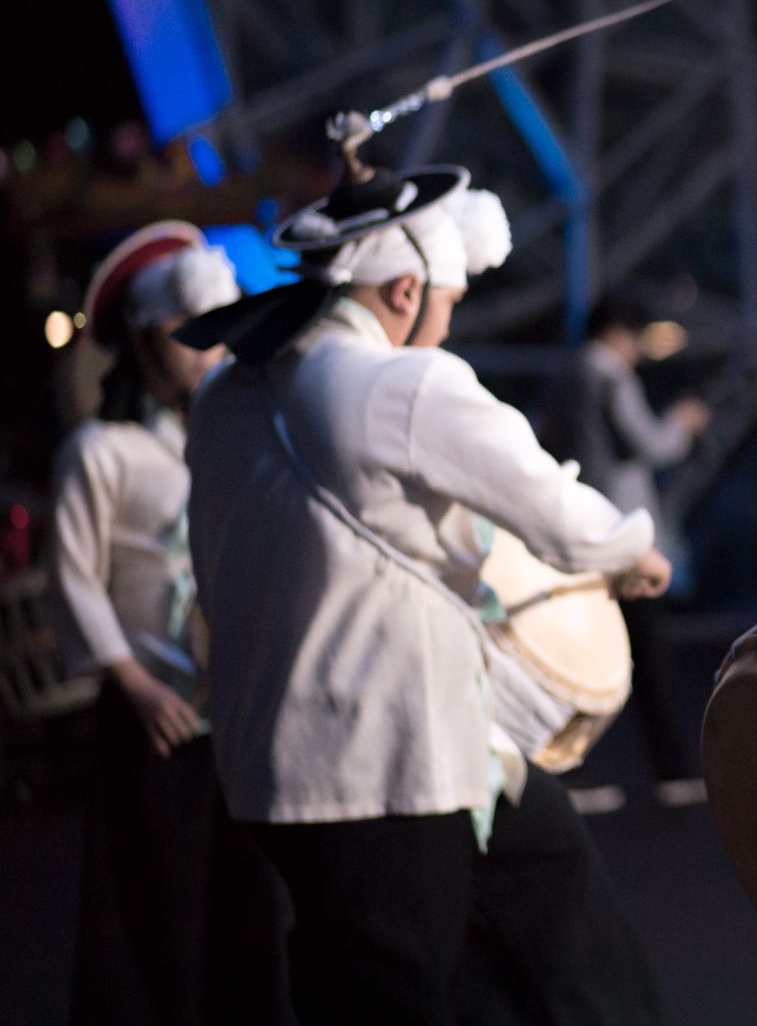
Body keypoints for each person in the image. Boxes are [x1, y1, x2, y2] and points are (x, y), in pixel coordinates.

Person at [179, 145, 674, 1026]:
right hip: (386, 764)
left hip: (276, 767)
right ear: (405, 291)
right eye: (449, 300)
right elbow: (555, 510)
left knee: (546, 898)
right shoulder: (401, 382)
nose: (447, 324)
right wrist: (631, 550)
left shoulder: (223, 396)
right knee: (399, 989)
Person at [53, 223, 293, 1026]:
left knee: (249, 908)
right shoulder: (100, 449)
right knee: (156, 915)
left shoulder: (230, 432)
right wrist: (134, 684)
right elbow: (74, 577)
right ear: (145, 338)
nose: (206, 350)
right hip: (155, 716)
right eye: (187, 333)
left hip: (238, 711)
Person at [545, 295, 710, 811]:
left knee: (577, 652)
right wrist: (682, 422)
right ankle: (672, 770)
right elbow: (652, 443)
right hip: (620, 539)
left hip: (579, 528)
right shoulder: (610, 376)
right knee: (649, 659)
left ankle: (567, 771)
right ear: (619, 332)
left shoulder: (566, 375)